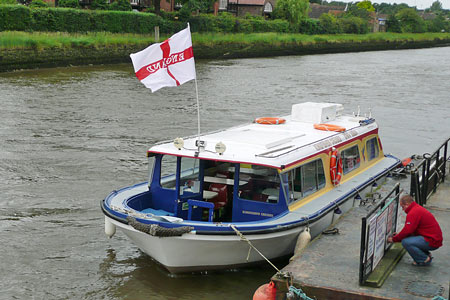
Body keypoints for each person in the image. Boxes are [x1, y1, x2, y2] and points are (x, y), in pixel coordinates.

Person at [387, 194, 443, 266]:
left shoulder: (413, 212)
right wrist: (398, 236)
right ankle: (426, 254)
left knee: (406, 242)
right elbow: (410, 230)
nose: (403, 209)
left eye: (402, 207)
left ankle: (423, 259)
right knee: (407, 239)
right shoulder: (417, 208)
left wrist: (394, 239)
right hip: (433, 239)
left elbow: (407, 231)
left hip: (432, 241)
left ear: (407, 204)